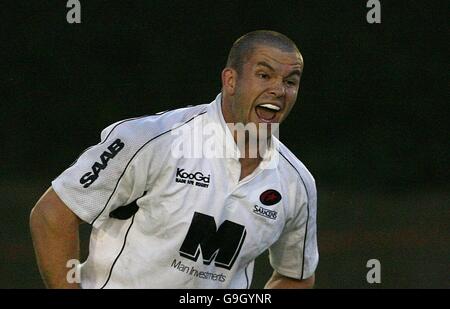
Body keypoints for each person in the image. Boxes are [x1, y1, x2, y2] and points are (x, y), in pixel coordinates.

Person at [30, 30, 318, 289]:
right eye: (264, 75)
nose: (279, 90)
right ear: (231, 80)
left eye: (290, 81)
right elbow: (53, 214)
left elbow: (297, 275)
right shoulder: (152, 140)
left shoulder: (296, 182)